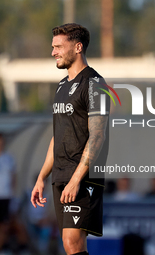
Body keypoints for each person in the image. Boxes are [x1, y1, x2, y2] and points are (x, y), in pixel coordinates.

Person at [31, 23, 109, 255]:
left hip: (83, 177)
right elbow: (58, 136)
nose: (53, 52)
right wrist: (41, 177)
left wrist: (76, 180)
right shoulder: (62, 86)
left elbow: (97, 136)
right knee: (70, 245)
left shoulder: (96, 84)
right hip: (61, 175)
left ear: (77, 47)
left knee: (72, 241)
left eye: (58, 47)